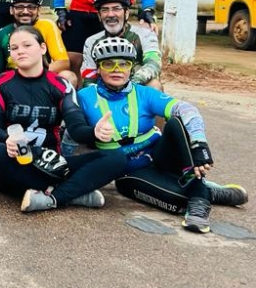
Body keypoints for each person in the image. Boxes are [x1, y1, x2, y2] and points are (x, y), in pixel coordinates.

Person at [77, 37, 245, 233]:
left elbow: (186, 108)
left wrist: (199, 143)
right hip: (128, 171)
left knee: (176, 123)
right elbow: (74, 135)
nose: (117, 69)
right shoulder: (84, 96)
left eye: (124, 63)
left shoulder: (144, 93)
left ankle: (200, 198)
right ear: (98, 68)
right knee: (177, 201)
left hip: (159, 155)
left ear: (132, 68)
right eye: (109, 63)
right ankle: (210, 192)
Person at [0, 26, 126, 213]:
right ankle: (74, 192)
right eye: (15, 48)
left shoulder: (60, 85)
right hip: (17, 162)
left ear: (43, 48)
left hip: (54, 164)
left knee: (116, 157)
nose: (20, 51)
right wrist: (6, 140)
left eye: (27, 45)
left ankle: (53, 198)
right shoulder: (0, 84)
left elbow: (76, 128)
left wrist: (94, 132)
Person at [0, 0, 74, 85]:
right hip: (14, 82)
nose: (25, 11)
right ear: (11, 10)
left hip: (43, 77)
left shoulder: (48, 26)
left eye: (31, 7)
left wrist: (34, 73)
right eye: (20, 7)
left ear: (39, 10)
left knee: (68, 76)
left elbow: (63, 63)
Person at [80, 0, 161, 88]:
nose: (110, 14)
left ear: (126, 13)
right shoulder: (91, 41)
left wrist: (134, 82)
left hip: (137, 86)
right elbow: (89, 76)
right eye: (105, 10)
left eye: (116, 9)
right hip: (105, 90)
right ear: (99, 16)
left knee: (154, 84)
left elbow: (153, 63)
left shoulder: (145, 34)